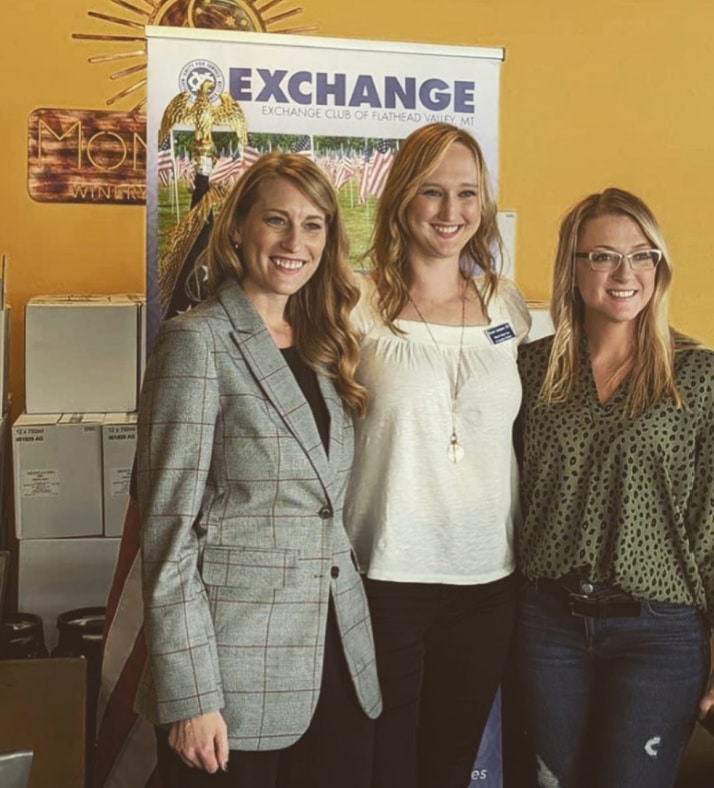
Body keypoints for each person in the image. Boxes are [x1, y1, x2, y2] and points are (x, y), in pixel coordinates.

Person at [133, 152, 382, 788]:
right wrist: (189, 695)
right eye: (277, 220)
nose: (295, 242)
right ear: (239, 227)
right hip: (233, 670)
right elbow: (167, 532)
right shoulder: (197, 342)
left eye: (315, 225)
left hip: (336, 657)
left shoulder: (326, 342)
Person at [344, 122, 531, 788]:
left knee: (448, 767)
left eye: (467, 194)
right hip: (386, 574)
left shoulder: (505, 303)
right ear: (400, 198)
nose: (451, 213)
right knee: (386, 768)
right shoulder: (354, 306)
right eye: (432, 192)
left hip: (487, 578)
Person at [515, 187, 714, 788]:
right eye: (602, 256)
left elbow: (713, 524)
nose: (624, 273)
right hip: (547, 622)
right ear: (572, 270)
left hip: (660, 631)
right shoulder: (530, 371)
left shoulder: (697, 376)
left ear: (659, 266)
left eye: (642, 255)